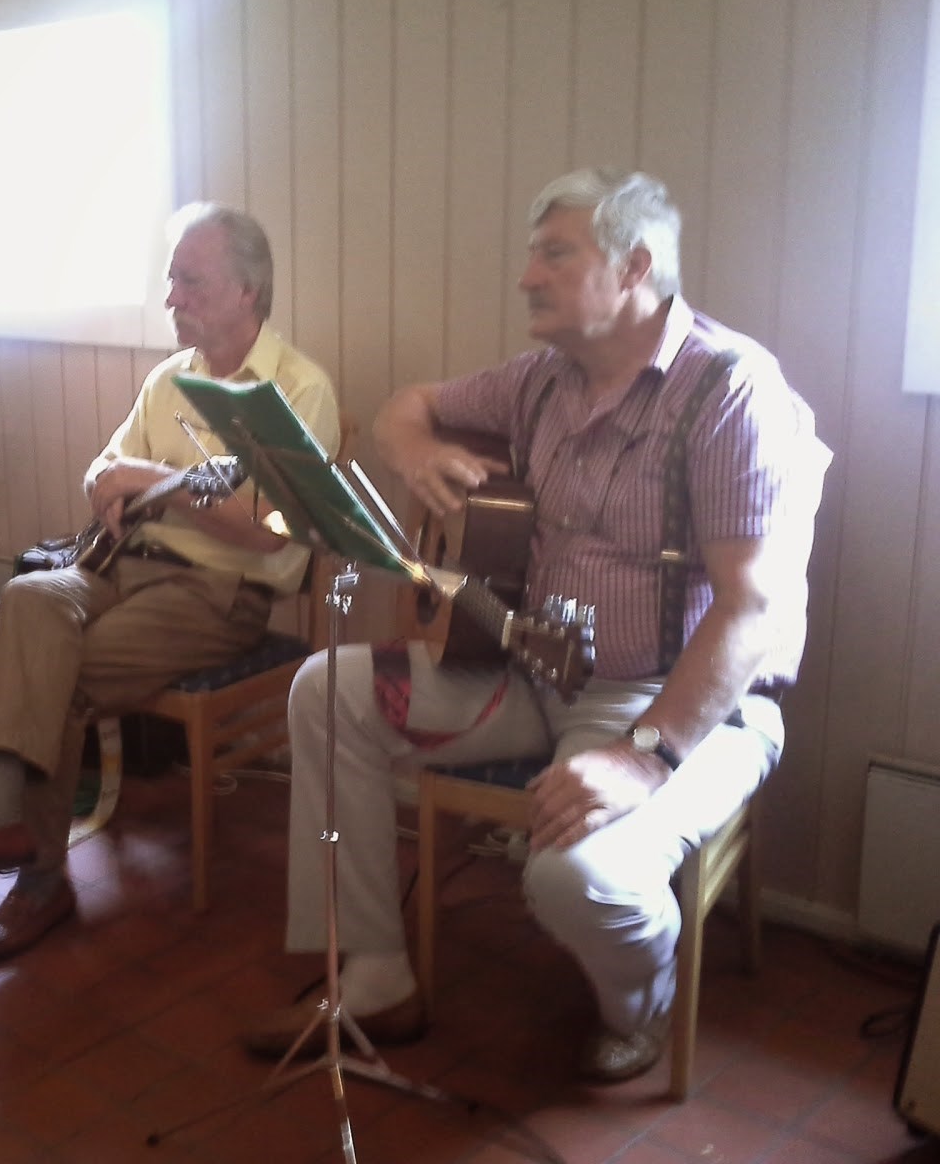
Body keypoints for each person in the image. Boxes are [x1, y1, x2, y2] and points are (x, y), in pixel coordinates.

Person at [241, 169, 831, 1083]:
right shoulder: (539, 383)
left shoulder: (728, 389)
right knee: (326, 691)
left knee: (574, 878)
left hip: (676, 702)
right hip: (526, 674)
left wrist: (642, 754)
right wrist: (420, 452)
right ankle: (376, 974)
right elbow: (408, 408)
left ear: (636, 266)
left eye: (555, 254)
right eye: (533, 255)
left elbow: (752, 606)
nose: (526, 277)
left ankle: (643, 999)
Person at [0, 202, 342, 962]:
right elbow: (100, 474)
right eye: (171, 280)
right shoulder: (169, 378)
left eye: (190, 282)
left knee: (53, 680)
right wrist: (149, 482)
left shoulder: (300, 390)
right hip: (121, 568)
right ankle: (1, 816)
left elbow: (258, 527)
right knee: (30, 596)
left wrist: (154, 481)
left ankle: (38, 880)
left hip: (218, 595)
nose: (171, 297)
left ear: (247, 291)